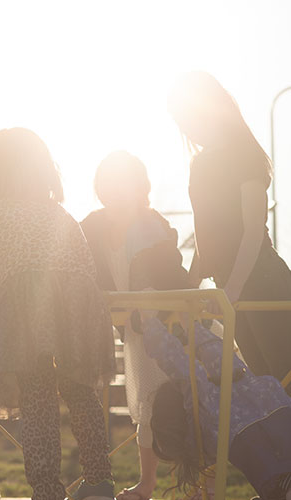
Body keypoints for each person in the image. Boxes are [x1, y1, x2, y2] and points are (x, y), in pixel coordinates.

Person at [0, 128, 116, 500]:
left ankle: (47, 489)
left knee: (37, 396)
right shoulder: (57, 211)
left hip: (27, 302)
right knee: (80, 389)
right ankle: (100, 481)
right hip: (78, 300)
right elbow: (85, 265)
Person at [168, 71, 291, 395]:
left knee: (283, 379)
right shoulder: (199, 164)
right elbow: (204, 235)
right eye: (180, 120)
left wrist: (233, 290)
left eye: (189, 116)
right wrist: (189, 289)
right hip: (230, 289)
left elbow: (252, 230)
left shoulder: (244, 154)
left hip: (262, 281)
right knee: (269, 386)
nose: (187, 126)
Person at [81, 151, 190, 500]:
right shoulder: (92, 226)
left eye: (122, 184)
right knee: (145, 404)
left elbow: (172, 275)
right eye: (107, 185)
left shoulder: (152, 224)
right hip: (133, 330)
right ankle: (147, 484)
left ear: (138, 187)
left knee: (184, 403)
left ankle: (201, 485)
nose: (114, 192)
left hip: (169, 326)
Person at [142, 314, 291, 500]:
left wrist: (151, 321)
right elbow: (208, 357)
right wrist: (186, 323)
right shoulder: (235, 391)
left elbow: (189, 371)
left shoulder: (213, 414)